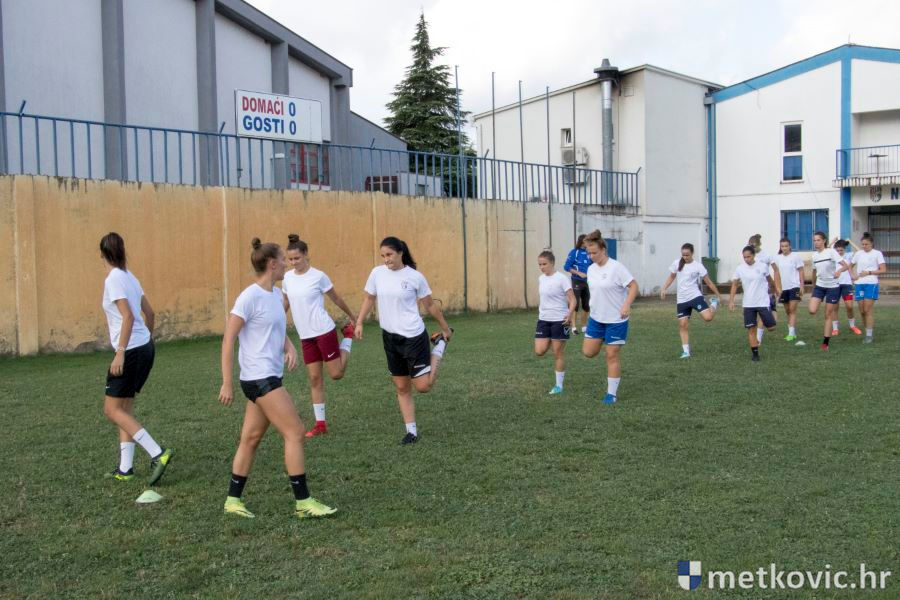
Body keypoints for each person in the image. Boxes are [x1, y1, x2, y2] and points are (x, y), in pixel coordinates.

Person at [219, 238, 336, 519]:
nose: (287, 263)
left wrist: (288, 346)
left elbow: (272, 327)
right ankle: (303, 502)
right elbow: (228, 339)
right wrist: (227, 382)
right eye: (283, 259)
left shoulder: (274, 295)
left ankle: (232, 501)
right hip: (260, 379)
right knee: (295, 432)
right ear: (272, 264)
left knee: (251, 438)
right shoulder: (249, 297)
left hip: (267, 376)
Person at [355, 237, 453, 444]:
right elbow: (369, 298)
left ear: (400, 253)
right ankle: (411, 432)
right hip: (390, 338)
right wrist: (359, 322)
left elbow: (430, 305)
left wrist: (445, 328)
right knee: (401, 387)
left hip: (413, 337)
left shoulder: (415, 277)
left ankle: (440, 345)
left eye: (389, 255)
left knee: (423, 386)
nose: (386, 259)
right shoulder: (377, 273)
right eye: (383, 256)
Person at [99, 232, 173, 484]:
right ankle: (125, 468)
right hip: (144, 347)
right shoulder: (130, 277)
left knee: (111, 409)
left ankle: (158, 453)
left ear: (102, 254)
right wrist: (146, 340)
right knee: (124, 409)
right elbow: (150, 313)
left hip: (130, 350)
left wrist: (120, 352)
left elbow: (129, 316)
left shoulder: (113, 279)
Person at [282, 234, 357, 438]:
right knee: (315, 379)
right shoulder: (287, 278)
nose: (293, 262)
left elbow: (336, 298)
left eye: (297, 258)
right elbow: (285, 303)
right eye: (290, 259)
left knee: (336, 374)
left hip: (324, 331)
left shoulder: (319, 276)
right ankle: (320, 425)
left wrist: (352, 317)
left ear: (306, 254)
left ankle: (347, 336)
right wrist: (276, 322)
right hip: (305, 336)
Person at [580, 230, 639, 404]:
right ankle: (603, 340)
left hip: (616, 319)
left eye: (594, 253)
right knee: (588, 352)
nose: (591, 256)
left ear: (603, 250)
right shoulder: (590, 269)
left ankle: (611, 394)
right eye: (588, 253)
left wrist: (626, 304)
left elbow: (634, 286)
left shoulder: (616, 267)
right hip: (596, 319)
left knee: (611, 354)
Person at [659, 243, 721, 359]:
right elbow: (671, 276)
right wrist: (664, 288)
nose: (685, 257)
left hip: (695, 296)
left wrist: (718, 295)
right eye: (683, 255)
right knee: (683, 325)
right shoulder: (677, 263)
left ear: (692, 253)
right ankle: (686, 352)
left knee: (708, 318)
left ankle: (713, 303)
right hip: (682, 300)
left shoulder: (698, 266)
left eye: (687, 255)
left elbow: (708, 282)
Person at [534, 250, 577, 394]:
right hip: (543, 320)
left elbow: (573, 300)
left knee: (557, 353)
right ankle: (553, 339)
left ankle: (559, 386)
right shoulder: (541, 278)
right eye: (540, 264)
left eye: (544, 264)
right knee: (539, 351)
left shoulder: (562, 278)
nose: (542, 267)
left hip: (560, 320)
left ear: (552, 263)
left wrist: (569, 314)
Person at [728, 245, 781, 361]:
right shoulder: (740, 268)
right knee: (751, 330)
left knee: (772, 327)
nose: (747, 259)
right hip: (748, 304)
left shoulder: (762, 266)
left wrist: (775, 291)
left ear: (754, 255)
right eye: (744, 257)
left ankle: (771, 311)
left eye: (749, 257)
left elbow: (770, 281)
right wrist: (731, 301)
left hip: (762, 302)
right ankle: (755, 354)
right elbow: (735, 284)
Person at [808, 231, 852, 351]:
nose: (816, 242)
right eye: (814, 240)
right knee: (812, 310)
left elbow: (846, 265)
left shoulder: (831, 252)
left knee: (828, 314)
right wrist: (813, 285)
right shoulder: (814, 256)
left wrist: (839, 271)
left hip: (833, 287)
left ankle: (825, 342)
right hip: (819, 286)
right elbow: (814, 272)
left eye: (818, 240)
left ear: (824, 241)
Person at [851, 232, 887, 343]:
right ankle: (868, 331)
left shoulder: (877, 253)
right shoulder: (858, 254)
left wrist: (869, 272)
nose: (864, 246)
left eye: (866, 244)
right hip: (859, 284)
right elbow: (850, 266)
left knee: (867, 310)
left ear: (871, 243)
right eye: (862, 244)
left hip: (871, 284)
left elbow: (883, 270)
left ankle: (869, 335)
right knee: (862, 311)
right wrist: (853, 275)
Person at [747, 234, 781, 345]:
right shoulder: (749, 256)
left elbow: (776, 270)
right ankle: (758, 338)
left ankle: (759, 337)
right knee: (757, 313)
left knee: (769, 319)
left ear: (759, 245)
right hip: (754, 289)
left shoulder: (766, 255)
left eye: (753, 245)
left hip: (766, 289)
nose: (751, 247)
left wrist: (777, 287)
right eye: (750, 245)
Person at [773, 237, 806, 344]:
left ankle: (791, 334)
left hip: (794, 286)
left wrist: (802, 286)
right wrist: (777, 288)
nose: (784, 248)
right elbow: (776, 273)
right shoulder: (778, 258)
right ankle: (792, 331)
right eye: (782, 246)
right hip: (784, 288)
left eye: (786, 246)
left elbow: (801, 271)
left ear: (790, 246)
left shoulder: (795, 256)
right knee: (788, 311)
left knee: (792, 309)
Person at [832, 239, 861, 336]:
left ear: (844, 249)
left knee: (849, 306)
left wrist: (850, 241)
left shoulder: (849, 255)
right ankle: (835, 328)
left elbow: (859, 251)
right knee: (835, 307)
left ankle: (852, 326)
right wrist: (832, 241)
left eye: (841, 250)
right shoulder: (832, 256)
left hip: (847, 284)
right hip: (834, 284)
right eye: (837, 250)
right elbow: (825, 249)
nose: (839, 252)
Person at [563, 234, 592, 334]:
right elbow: (566, 267)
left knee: (586, 305)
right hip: (576, 281)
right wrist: (579, 273)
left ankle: (584, 326)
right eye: (586, 241)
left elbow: (593, 265)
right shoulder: (574, 252)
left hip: (587, 282)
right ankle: (573, 327)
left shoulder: (589, 253)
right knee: (575, 304)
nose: (588, 243)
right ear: (581, 242)